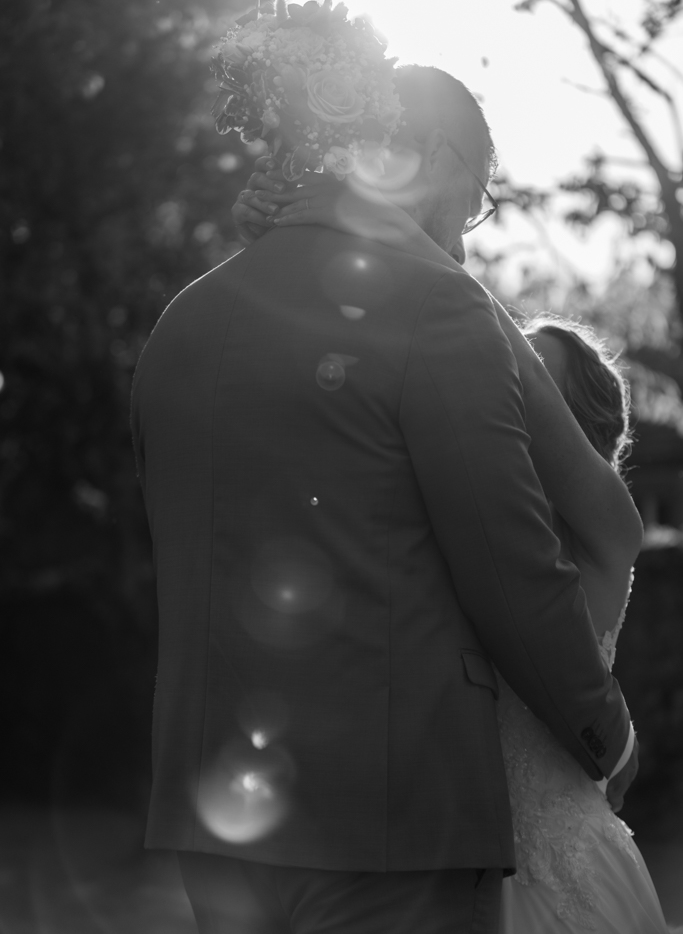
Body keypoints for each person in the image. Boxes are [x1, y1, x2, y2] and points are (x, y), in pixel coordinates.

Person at [132, 65, 637, 934]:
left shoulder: (183, 322)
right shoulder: (436, 308)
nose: (468, 243)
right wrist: (604, 734)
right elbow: (508, 564)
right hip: (393, 818)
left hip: (215, 814)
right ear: (433, 159)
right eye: (473, 200)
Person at [234, 161, 670, 931]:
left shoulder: (608, 531)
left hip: (566, 877)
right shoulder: (453, 526)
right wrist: (291, 244)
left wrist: (396, 230)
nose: (504, 384)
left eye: (534, 379)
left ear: (583, 428)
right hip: (441, 868)